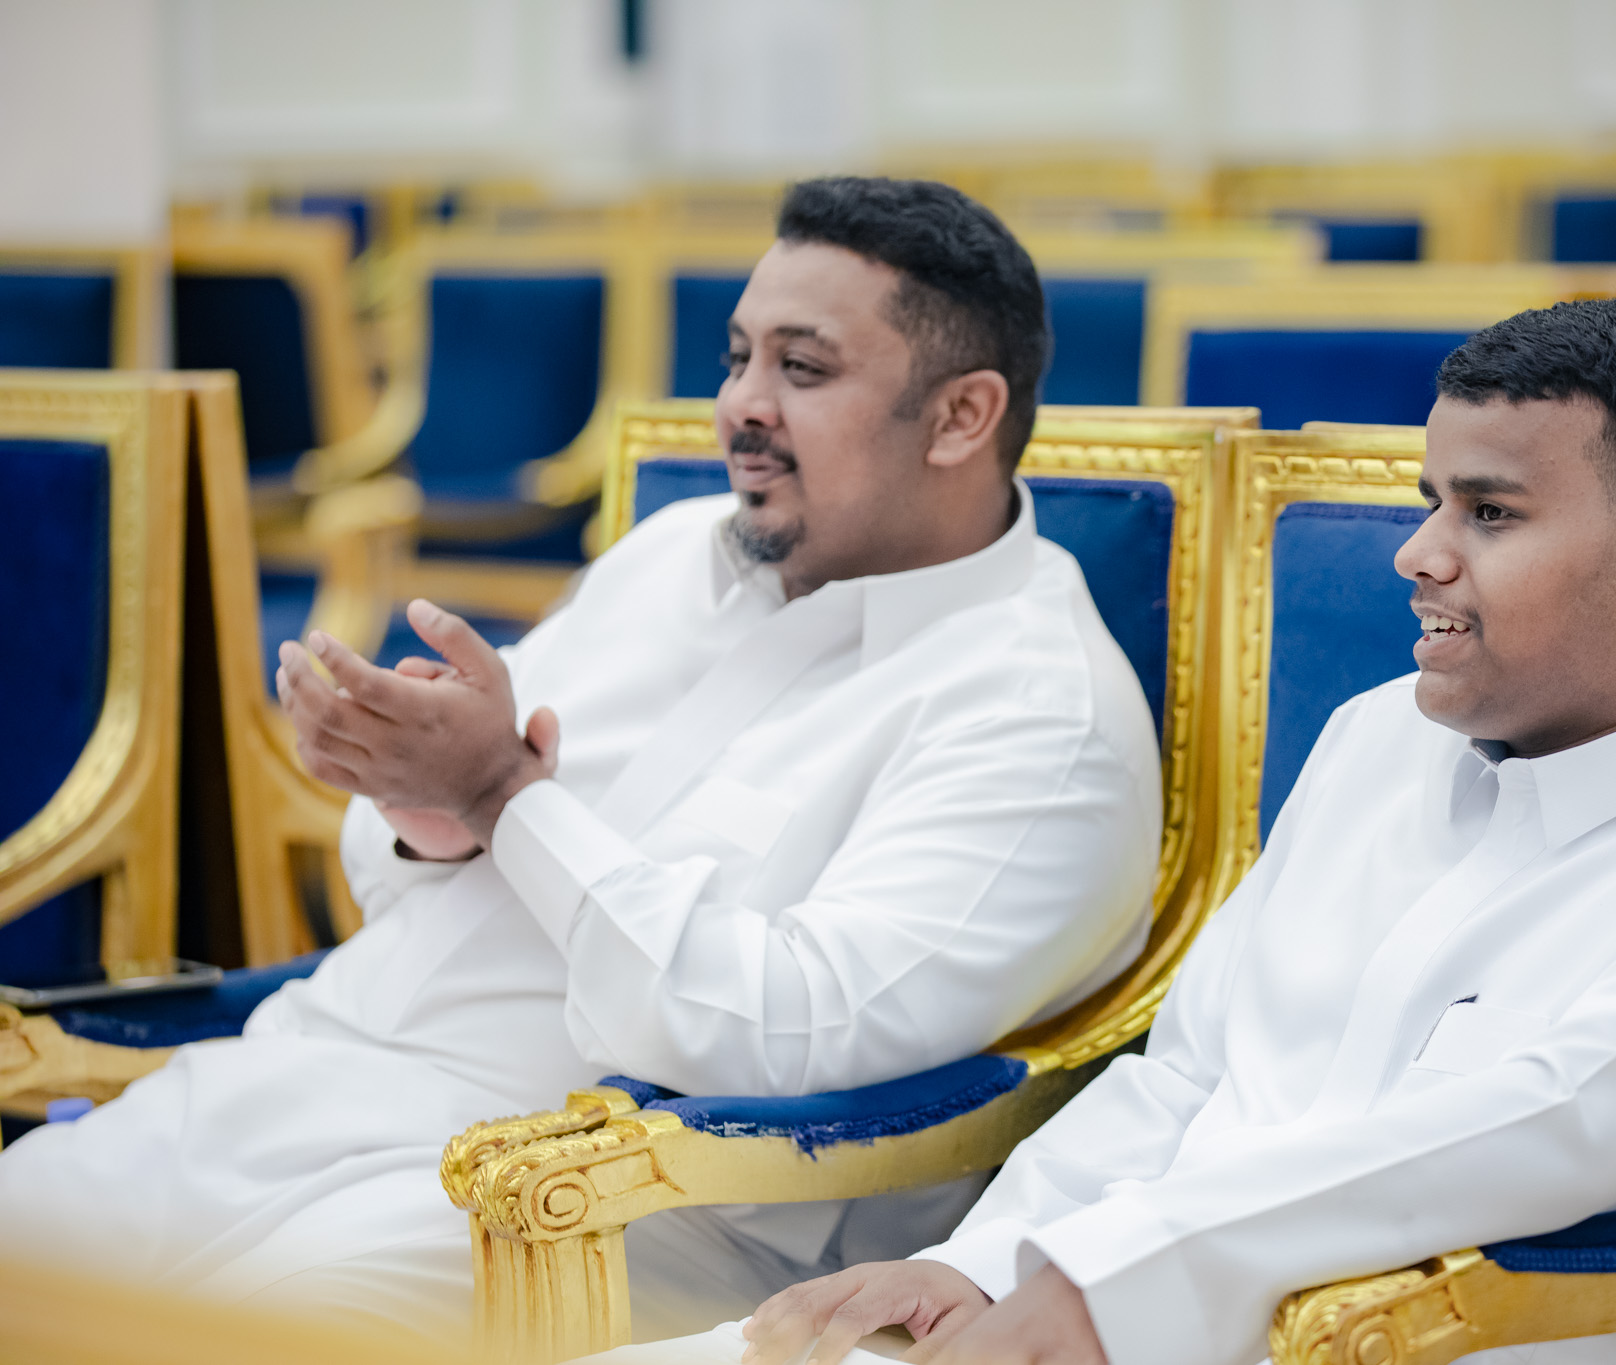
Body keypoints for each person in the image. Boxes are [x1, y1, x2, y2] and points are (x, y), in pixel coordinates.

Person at [623, 296, 1616, 1365]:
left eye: (1488, 513)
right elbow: (1187, 1079)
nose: (1417, 554)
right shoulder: (1378, 737)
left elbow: (1520, 1134)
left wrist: (1100, 1285)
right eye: (1429, 501)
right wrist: (979, 1266)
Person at [0, 178, 1162, 1343]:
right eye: (736, 358)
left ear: (959, 417)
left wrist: (503, 798)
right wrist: (427, 814)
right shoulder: (672, 553)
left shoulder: (1036, 714)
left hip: (598, 1204)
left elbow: (782, 1036)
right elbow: (406, 879)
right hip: (299, 1077)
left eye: (801, 369)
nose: (740, 407)